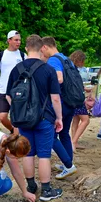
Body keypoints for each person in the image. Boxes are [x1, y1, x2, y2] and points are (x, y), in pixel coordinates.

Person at [6, 34, 63, 201]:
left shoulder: (16, 69)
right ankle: (46, 190)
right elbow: (55, 98)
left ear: (26, 48)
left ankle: (31, 186)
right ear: (41, 48)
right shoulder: (48, 70)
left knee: (28, 153)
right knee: (44, 154)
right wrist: (59, 118)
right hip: (44, 118)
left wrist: (19, 111)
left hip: (23, 119)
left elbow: (9, 96)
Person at [41, 36, 78, 179]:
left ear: (45, 47)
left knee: (51, 136)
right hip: (71, 102)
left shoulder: (53, 60)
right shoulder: (66, 58)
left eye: (41, 50)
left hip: (61, 103)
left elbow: (59, 78)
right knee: (64, 134)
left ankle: (69, 165)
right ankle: (67, 163)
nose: (42, 54)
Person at [0, 30, 26, 134]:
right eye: (16, 40)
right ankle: (13, 130)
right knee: (2, 116)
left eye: (19, 40)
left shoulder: (23, 56)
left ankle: (18, 137)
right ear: (9, 40)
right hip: (3, 90)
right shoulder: (1, 55)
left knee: (18, 116)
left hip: (18, 90)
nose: (18, 42)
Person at [70, 50, 91, 151]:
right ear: (79, 60)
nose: (83, 64)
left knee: (76, 120)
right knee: (85, 120)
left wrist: (83, 88)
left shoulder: (71, 69)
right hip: (77, 99)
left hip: (74, 98)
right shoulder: (73, 70)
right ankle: (73, 141)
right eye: (83, 61)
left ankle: (74, 141)